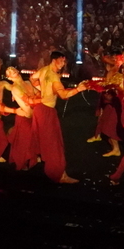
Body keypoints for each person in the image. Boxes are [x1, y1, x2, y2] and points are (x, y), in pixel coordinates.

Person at [30, 52, 89, 183]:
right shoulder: (54, 77)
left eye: (64, 62)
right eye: (61, 61)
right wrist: (78, 89)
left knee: (45, 140)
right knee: (54, 144)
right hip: (46, 112)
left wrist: (42, 90)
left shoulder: (44, 70)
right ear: (54, 60)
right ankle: (59, 174)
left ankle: (44, 163)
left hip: (40, 110)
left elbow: (32, 78)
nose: (63, 64)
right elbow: (63, 95)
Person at [3, 66, 40, 171]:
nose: (14, 71)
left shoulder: (28, 83)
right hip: (25, 118)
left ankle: (32, 158)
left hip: (34, 115)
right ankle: (22, 163)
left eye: (14, 70)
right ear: (9, 77)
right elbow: (28, 103)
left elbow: (38, 94)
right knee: (24, 143)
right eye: (11, 72)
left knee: (33, 139)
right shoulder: (15, 88)